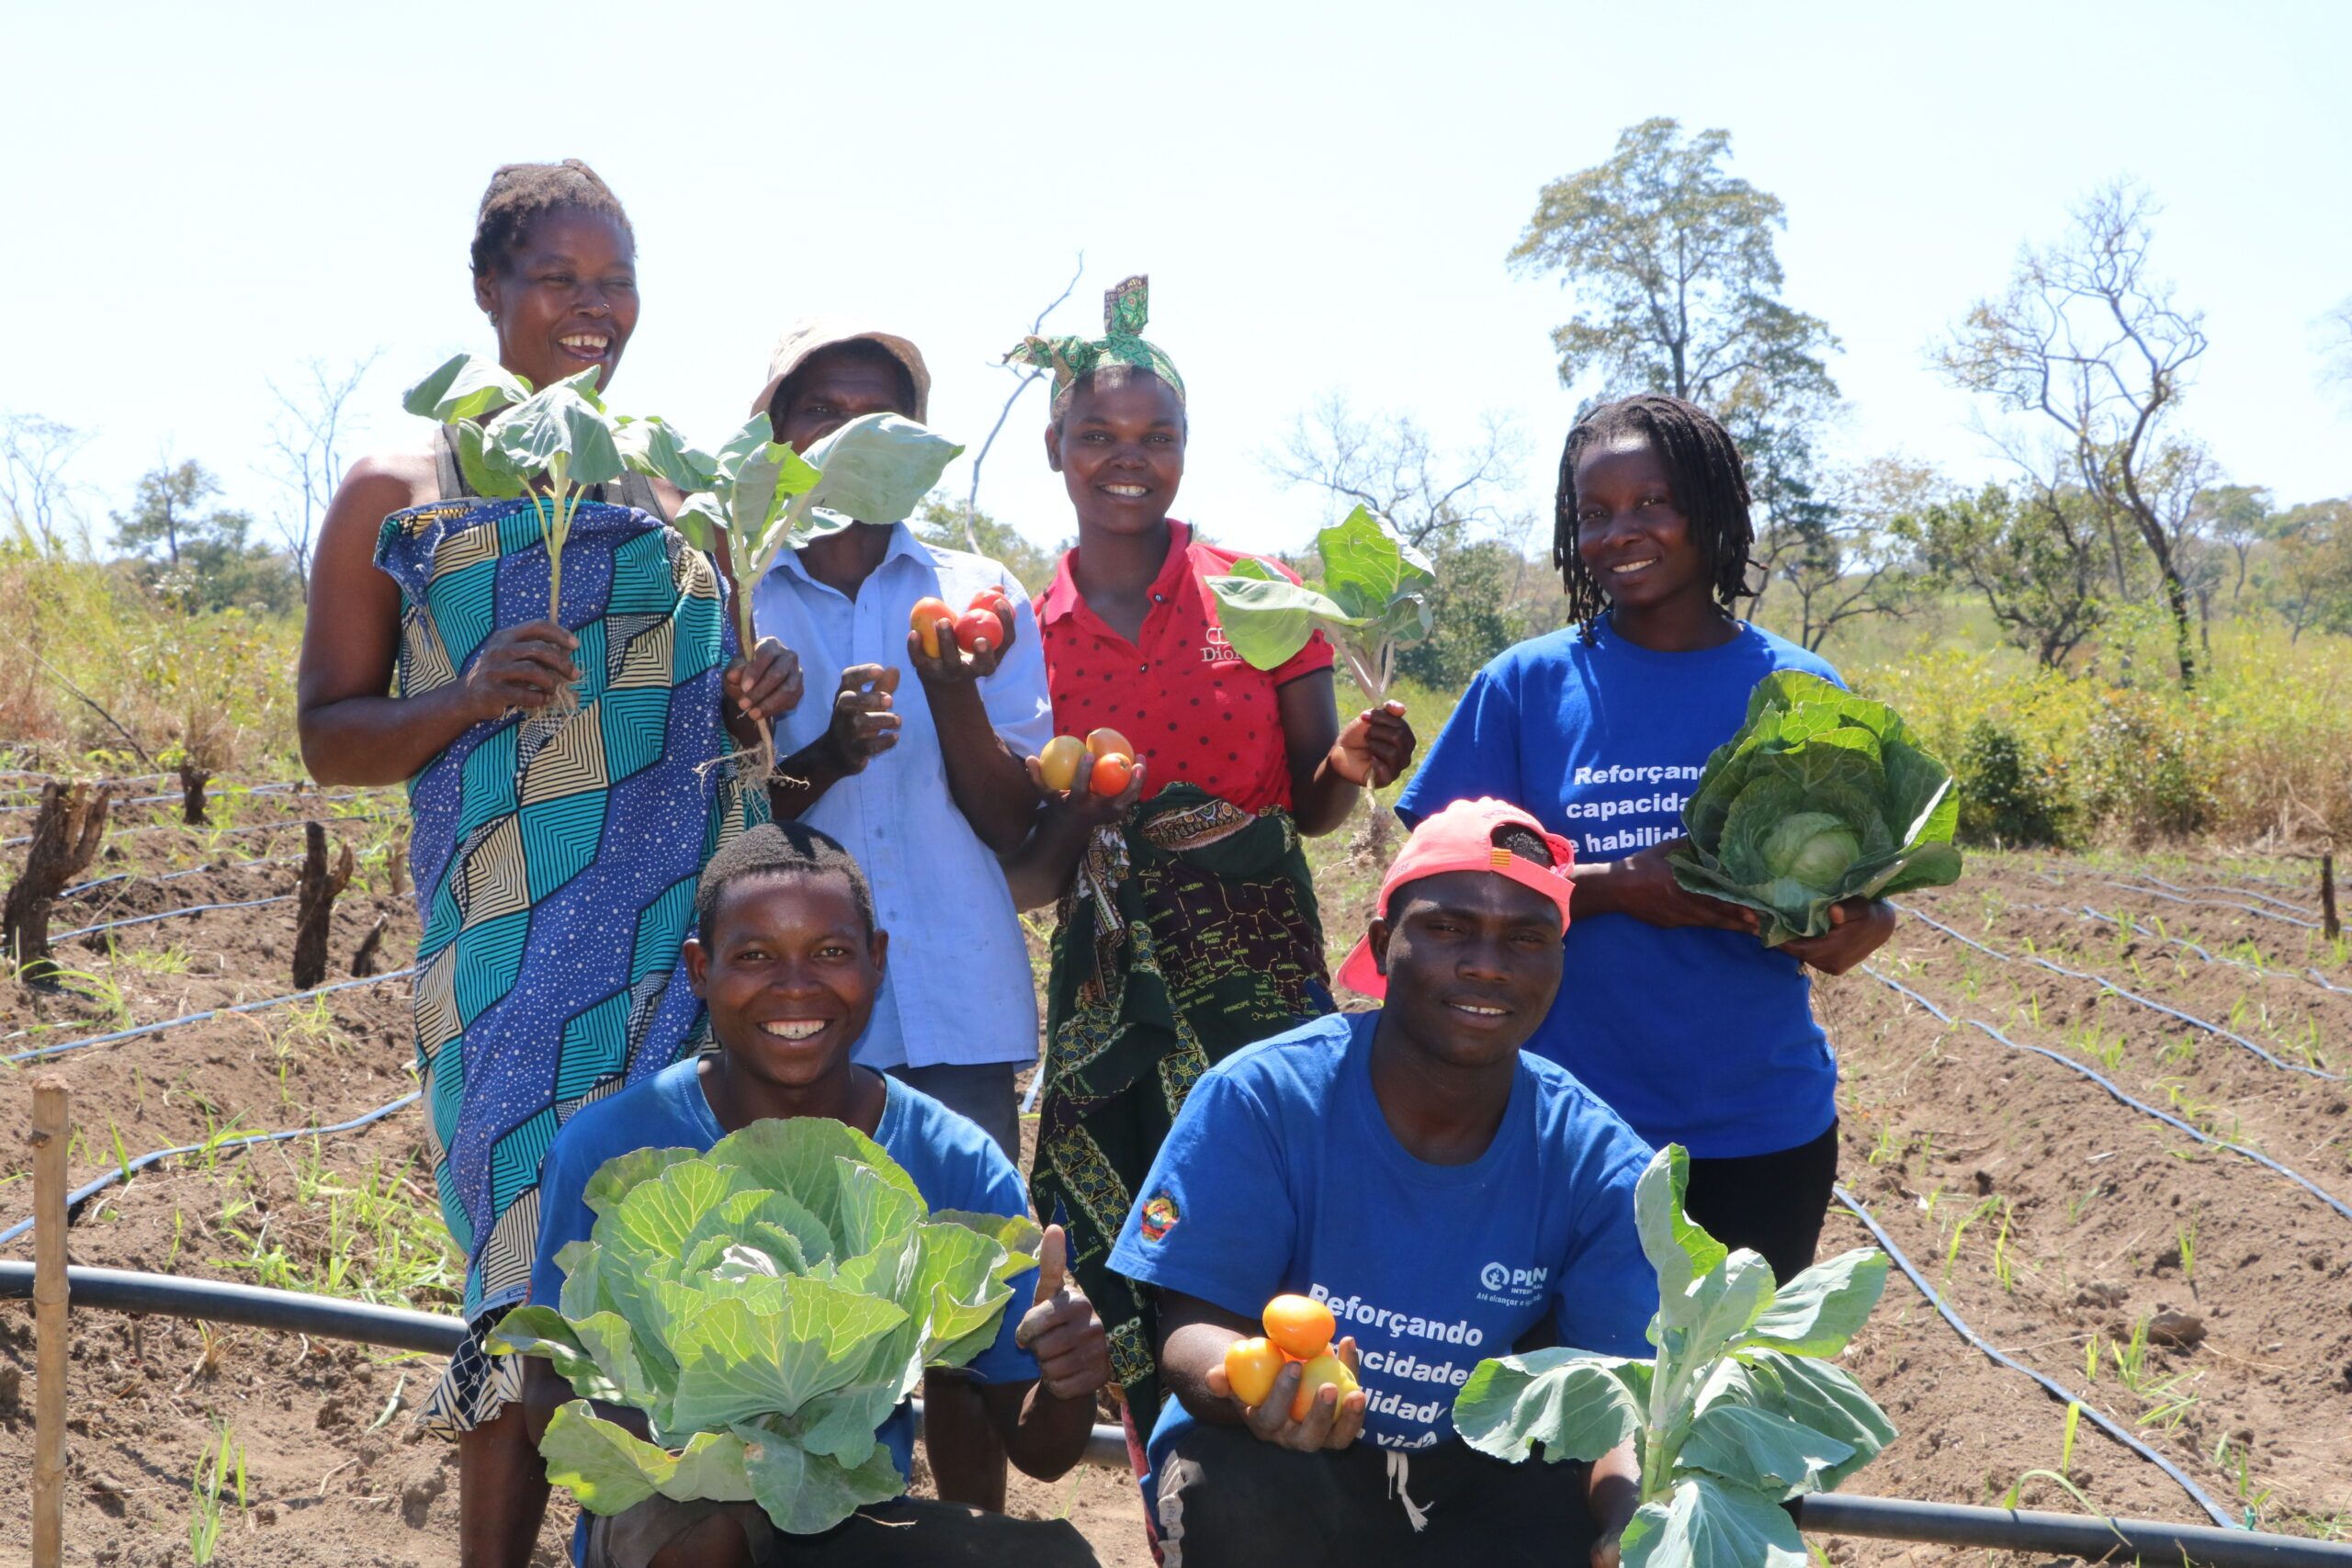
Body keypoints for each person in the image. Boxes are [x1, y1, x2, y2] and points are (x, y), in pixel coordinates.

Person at [295, 160, 798, 1566]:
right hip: (506, 952)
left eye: (615, 278)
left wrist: (758, 689)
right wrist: (464, 697)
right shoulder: (402, 486)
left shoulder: (677, 485)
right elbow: (329, 733)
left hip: (672, 951)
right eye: (559, 278)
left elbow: (734, 729)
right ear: (487, 292)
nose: (594, 307)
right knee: (519, 1283)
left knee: (666, 1280)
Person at [999, 276, 1417, 1422]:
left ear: (1186, 449)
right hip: (1107, 979)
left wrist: (1356, 761)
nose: (1126, 458)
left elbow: (1315, 803)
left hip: (1259, 975)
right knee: (1123, 1239)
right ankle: (1160, 1493)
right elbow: (1030, 854)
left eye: (1156, 436)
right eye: (1097, 435)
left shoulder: (1264, 597)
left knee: (1272, 1238)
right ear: (1054, 449)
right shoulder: (1026, 636)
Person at [1395, 394, 1897, 1285]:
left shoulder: (1797, 686)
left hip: (1756, 1131)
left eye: (1651, 503)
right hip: (1559, 1127)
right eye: (1593, 513)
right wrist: (1619, 887)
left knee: (1719, 1407)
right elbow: (1431, 887)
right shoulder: (1526, 686)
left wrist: (1845, 924)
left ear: (1711, 510)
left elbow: (1851, 911)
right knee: (1555, 1411)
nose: (1619, 531)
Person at [521, 822, 1108, 1567]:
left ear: (877, 961)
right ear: (700, 970)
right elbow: (546, 1396)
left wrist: (1068, 1378)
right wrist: (718, 1441)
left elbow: (1039, 1449)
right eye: (755, 955)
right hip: (672, 1519)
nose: (795, 985)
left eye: (831, 952)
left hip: (847, 1515)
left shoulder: (950, 1158)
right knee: (702, 1534)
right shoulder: (615, 1146)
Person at [1109, 797, 1657, 1567]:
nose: (1488, 963)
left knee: (1564, 1505)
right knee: (1226, 1482)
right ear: (1380, 944)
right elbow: (1188, 1323)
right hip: (1287, 1469)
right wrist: (1251, 1386)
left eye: (1526, 939)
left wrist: (1630, 1518)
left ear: (1558, 966)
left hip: (1477, 1481)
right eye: (1448, 927)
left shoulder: (1598, 1160)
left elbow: (1617, 1402)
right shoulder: (1264, 1099)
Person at [745, 318, 1047, 1158]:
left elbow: (1013, 823)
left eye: (876, 414)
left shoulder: (981, 593)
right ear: (778, 434)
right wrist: (827, 759)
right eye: (820, 409)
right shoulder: (737, 600)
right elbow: (720, 826)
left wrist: (952, 692)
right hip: (790, 1019)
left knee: (966, 1271)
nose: (847, 434)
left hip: (960, 1013)